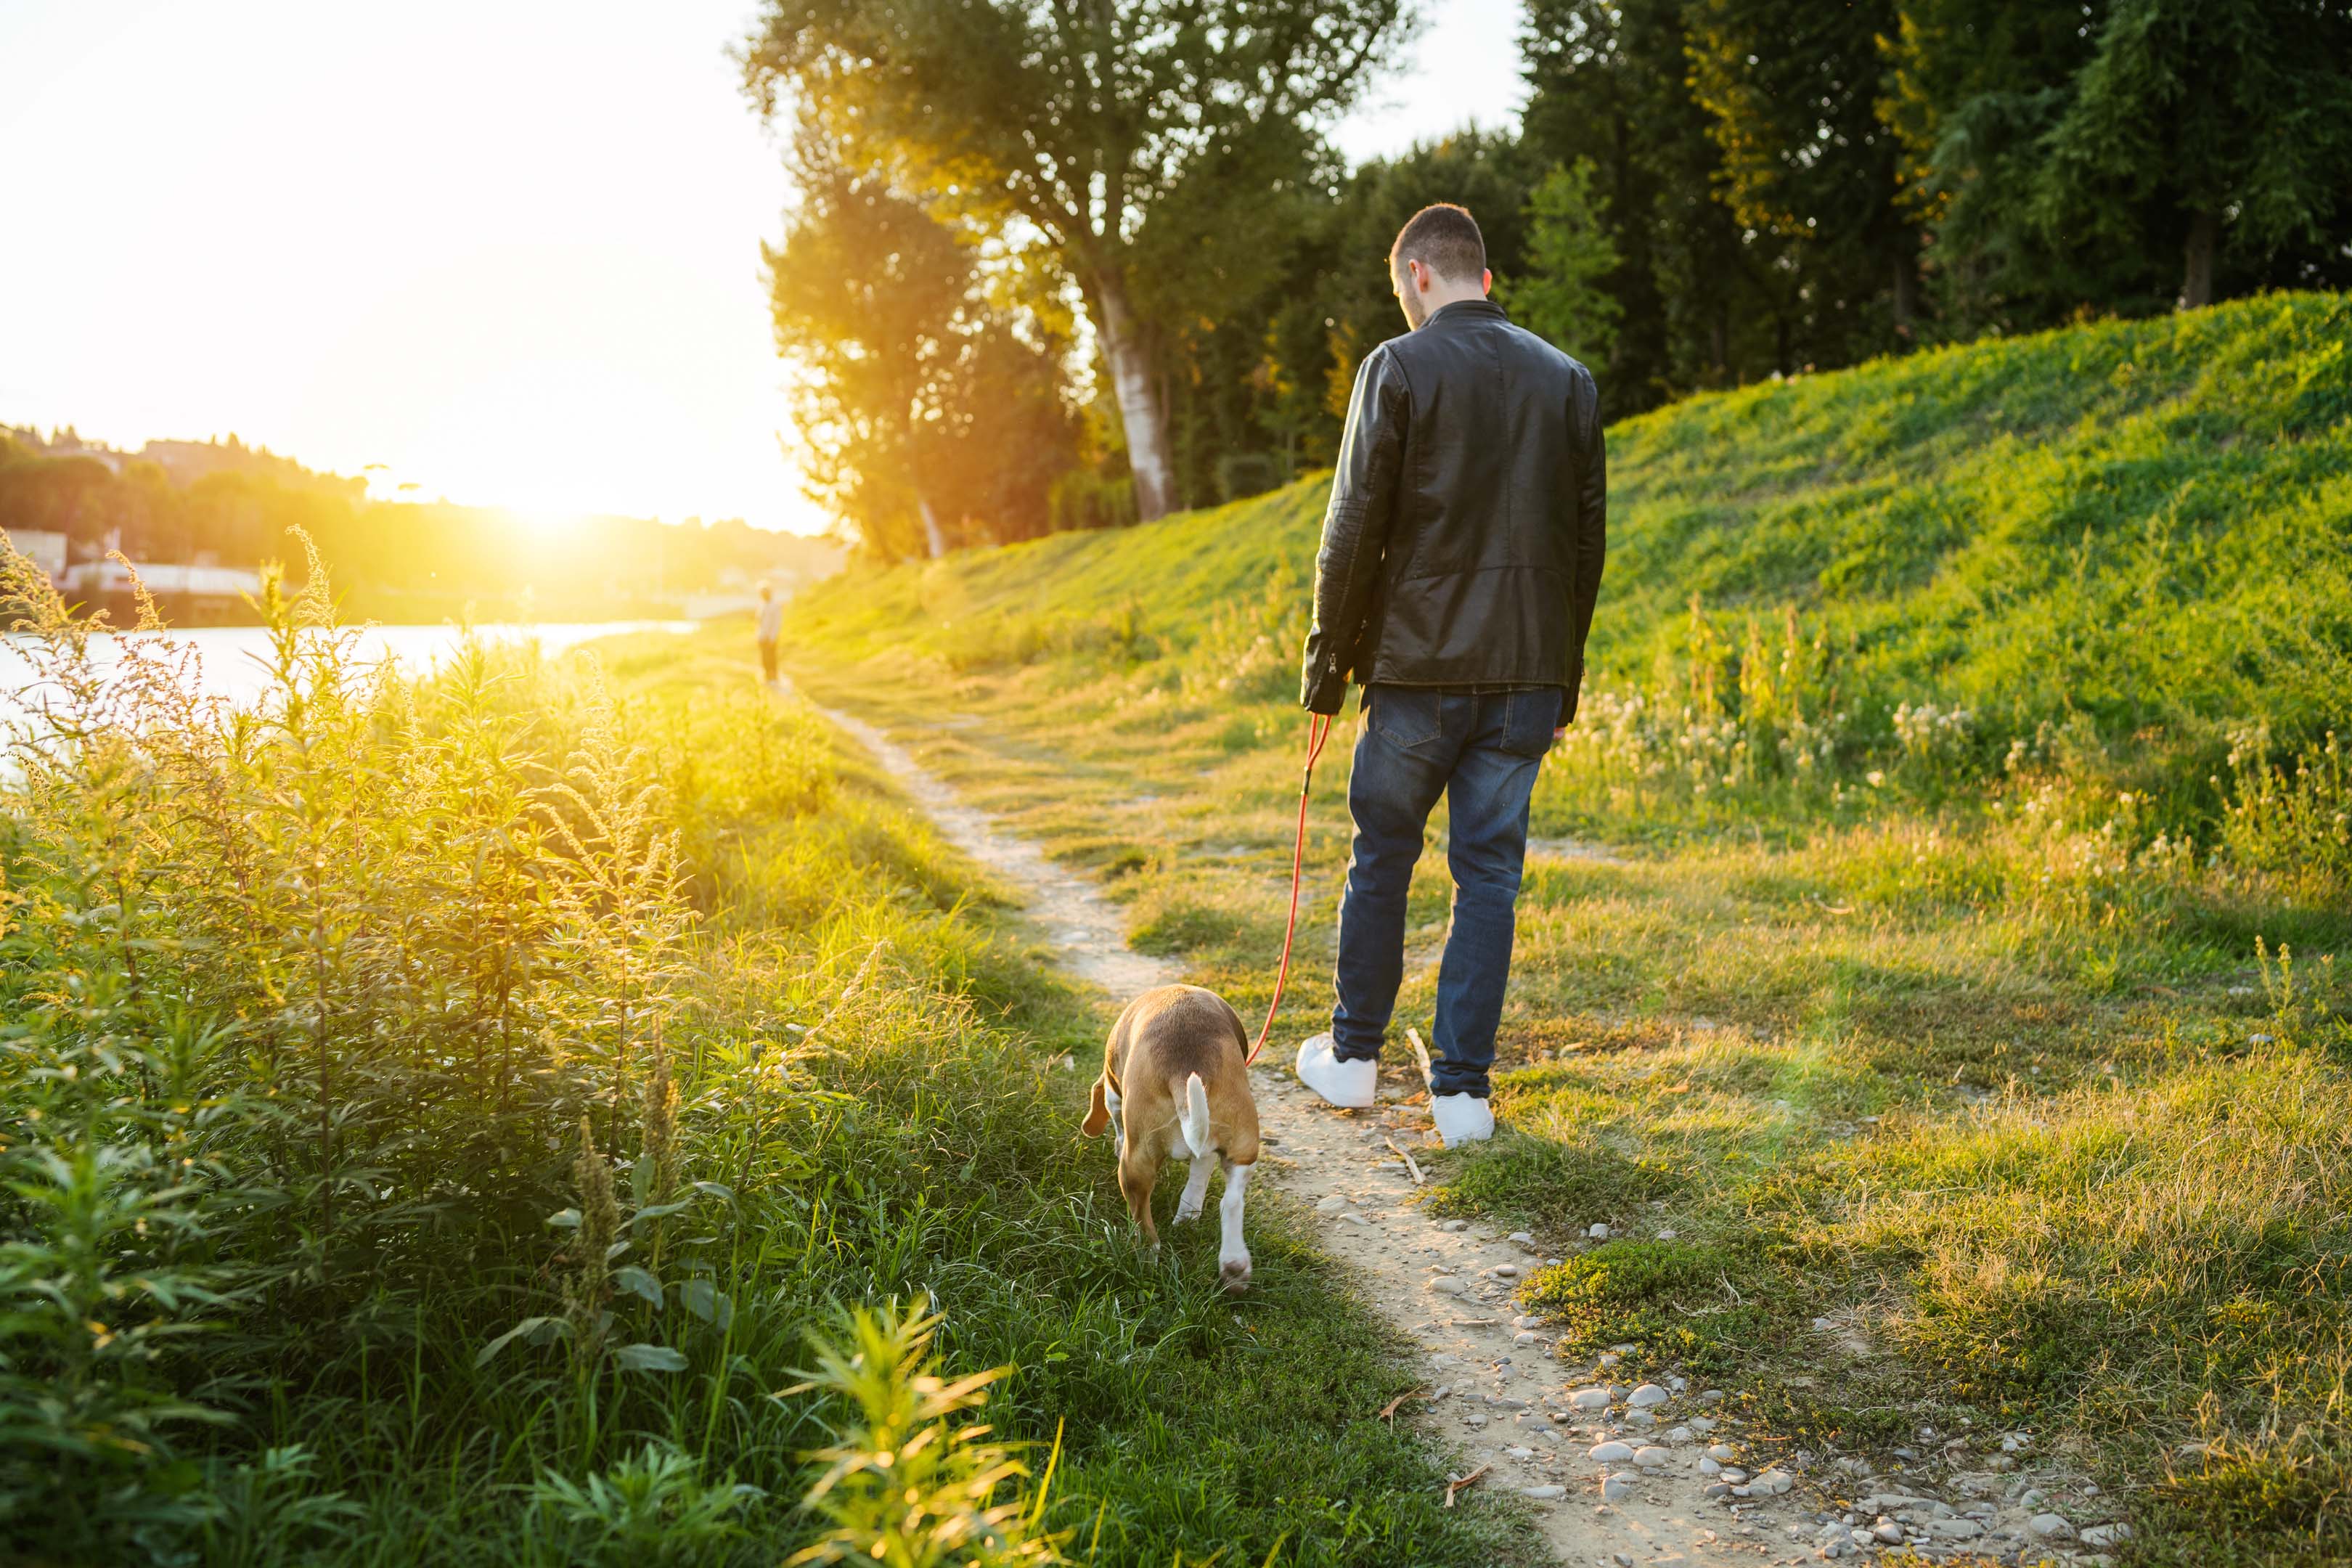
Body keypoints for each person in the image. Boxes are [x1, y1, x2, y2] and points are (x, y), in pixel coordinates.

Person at [1293, 202, 1607, 1148]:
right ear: (1486, 276)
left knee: (1382, 854)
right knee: (1490, 877)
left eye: (1401, 294)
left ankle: (1352, 1063)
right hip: (1525, 676)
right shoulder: (1569, 380)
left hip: (1419, 673)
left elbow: (1351, 532)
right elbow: (1586, 546)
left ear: (1419, 277)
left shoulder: (1398, 367)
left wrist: (1326, 667)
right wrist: (1566, 681)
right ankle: (1463, 1097)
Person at [755, 580, 783, 685]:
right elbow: (760, 623)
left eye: (765, 592)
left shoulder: (775, 606)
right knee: (764, 658)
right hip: (762, 637)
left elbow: (777, 623)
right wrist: (759, 636)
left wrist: (772, 638)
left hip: (771, 638)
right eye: (761, 593)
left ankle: (774, 678)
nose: (763, 595)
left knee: (771, 658)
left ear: (770, 592)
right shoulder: (762, 605)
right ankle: (767, 677)